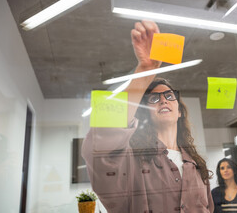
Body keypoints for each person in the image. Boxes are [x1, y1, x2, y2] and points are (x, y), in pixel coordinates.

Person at [82, 20, 214, 213]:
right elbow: (99, 143)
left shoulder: (196, 165)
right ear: (145, 113)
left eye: (169, 96)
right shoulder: (133, 162)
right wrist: (144, 72)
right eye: (153, 99)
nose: (163, 100)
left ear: (179, 112)